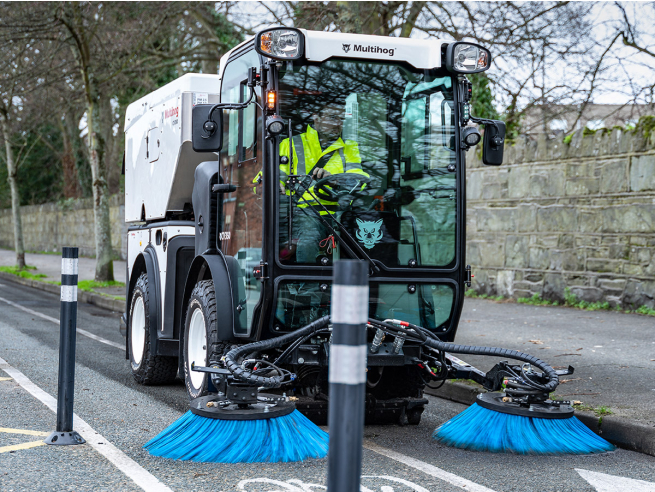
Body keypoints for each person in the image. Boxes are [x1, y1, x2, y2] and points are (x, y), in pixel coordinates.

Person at [279, 101, 368, 263]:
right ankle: (307, 287)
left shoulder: (349, 148)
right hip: (304, 211)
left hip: (340, 213)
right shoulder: (291, 145)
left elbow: (359, 180)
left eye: (341, 119)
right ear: (316, 118)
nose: (338, 123)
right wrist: (274, 183)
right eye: (333, 117)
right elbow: (266, 179)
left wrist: (335, 180)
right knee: (309, 238)